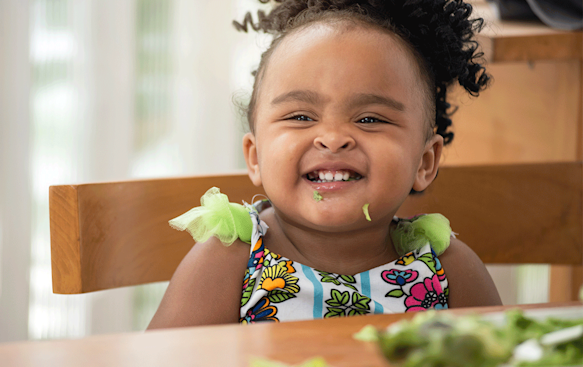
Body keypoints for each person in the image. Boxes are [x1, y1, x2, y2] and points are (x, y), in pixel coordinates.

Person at [147, 0, 502, 329]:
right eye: (301, 116)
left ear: (425, 163)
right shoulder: (229, 260)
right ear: (255, 157)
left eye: (370, 119)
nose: (333, 138)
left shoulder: (448, 269)